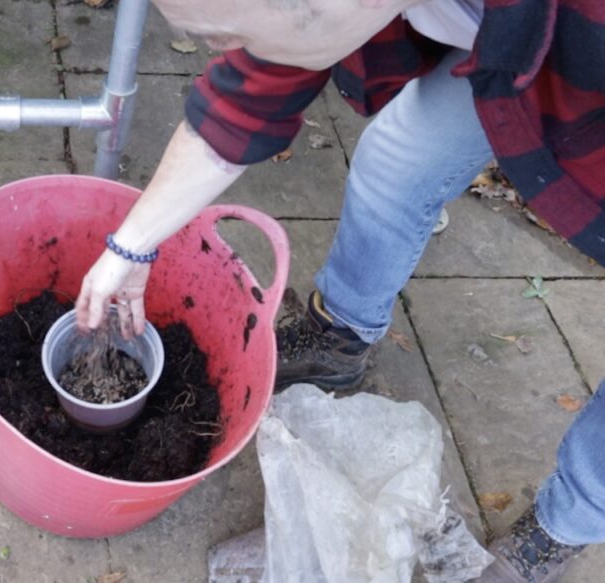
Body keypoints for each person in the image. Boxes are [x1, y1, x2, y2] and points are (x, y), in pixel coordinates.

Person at [73, 0, 605, 580]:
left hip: (583, 70)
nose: (220, 55)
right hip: (513, 36)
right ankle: (341, 336)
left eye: (223, 34)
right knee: (398, 160)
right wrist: (130, 247)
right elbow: (246, 97)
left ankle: (569, 521)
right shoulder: (315, 10)